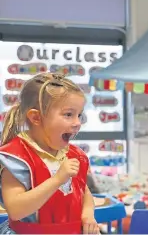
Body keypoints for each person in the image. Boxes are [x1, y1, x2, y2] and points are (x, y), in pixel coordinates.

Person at [0, 73, 99, 234]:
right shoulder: (16, 158)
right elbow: (16, 210)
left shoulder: (74, 155)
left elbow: (82, 191)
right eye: (68, 114)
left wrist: (88, 215)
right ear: (36, 117)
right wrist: (58, 179)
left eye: (79, 115)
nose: (77, 123)